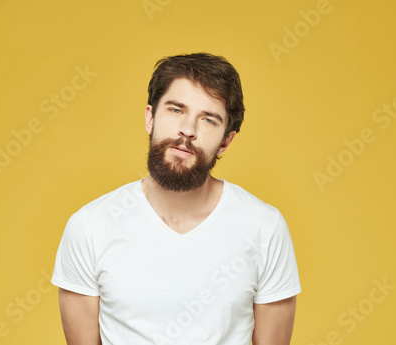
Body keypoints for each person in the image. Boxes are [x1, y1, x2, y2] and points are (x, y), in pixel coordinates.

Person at [51, 52, 302, 345]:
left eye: (208, 119)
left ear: (225, 141)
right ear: (150, 117)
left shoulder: (265, 227)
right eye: (176, 110)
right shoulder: (90, 227)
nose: (188, 130)